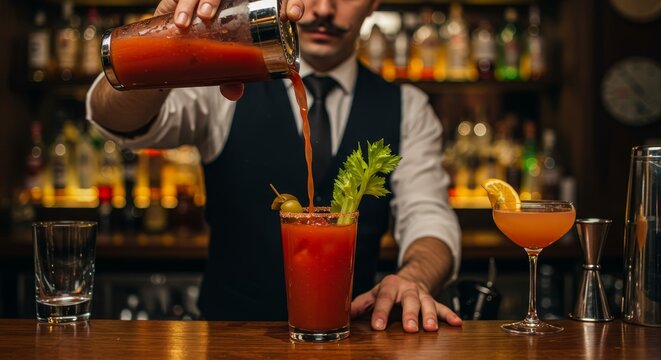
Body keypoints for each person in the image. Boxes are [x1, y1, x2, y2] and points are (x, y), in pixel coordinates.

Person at [87, 0, 463, 332]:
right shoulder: (222, 83)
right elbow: (116, 120)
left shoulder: (408, 107)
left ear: (374, 4)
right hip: (228, 342)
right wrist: (163, 41)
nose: (323, 10)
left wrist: (413, 278)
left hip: (349, 341)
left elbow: (429, 218)